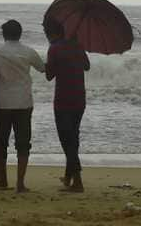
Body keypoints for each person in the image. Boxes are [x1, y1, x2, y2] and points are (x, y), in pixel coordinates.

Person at [0, 19, 45, 193]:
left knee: (0, 144)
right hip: (24, 102)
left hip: (2, 103)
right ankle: (20, 183)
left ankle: (1, 180)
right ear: (20, 33)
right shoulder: (29, 51)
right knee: (23, 144)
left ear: (4, 34)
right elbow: (43, 69)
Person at [43, 18, 90, 192]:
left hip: (63, 101)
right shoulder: (77, 45)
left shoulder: (54, 48)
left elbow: (49, 75)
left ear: (50, 33)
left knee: (67, 141)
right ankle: (69, 176)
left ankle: (77, 182)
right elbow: (87, 66)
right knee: (73, 138)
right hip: (79, 99)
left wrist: (47, 65)